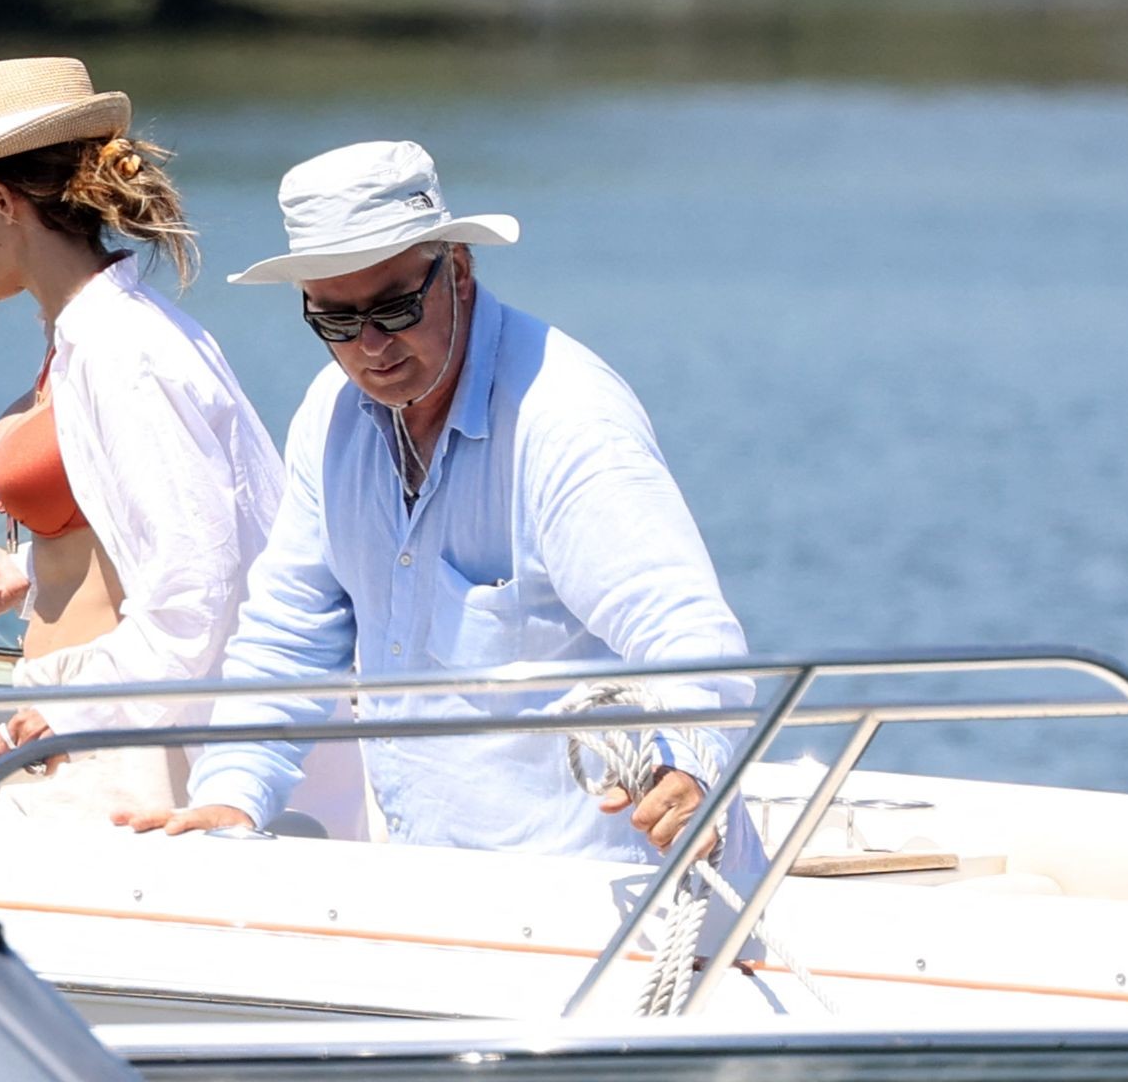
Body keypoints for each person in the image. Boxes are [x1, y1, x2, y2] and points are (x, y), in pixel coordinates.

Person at [115, 139, 763, 869]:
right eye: (335, 321)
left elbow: (683, 627)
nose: (370, 347)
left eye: (393, 309)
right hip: (437, 881)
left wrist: (691, 762)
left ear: (457, 270)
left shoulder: (566, 418)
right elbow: (288, 634)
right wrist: (232, 794)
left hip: (614, 882)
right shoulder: (329, 416)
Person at [0, 56, 284, 819]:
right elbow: (125, 538)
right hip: (90, 728)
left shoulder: (125, 353)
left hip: (131, 755)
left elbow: (196, 587)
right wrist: (22, 570)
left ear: (1, 199)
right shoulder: (86, 337)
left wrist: (78, 711)